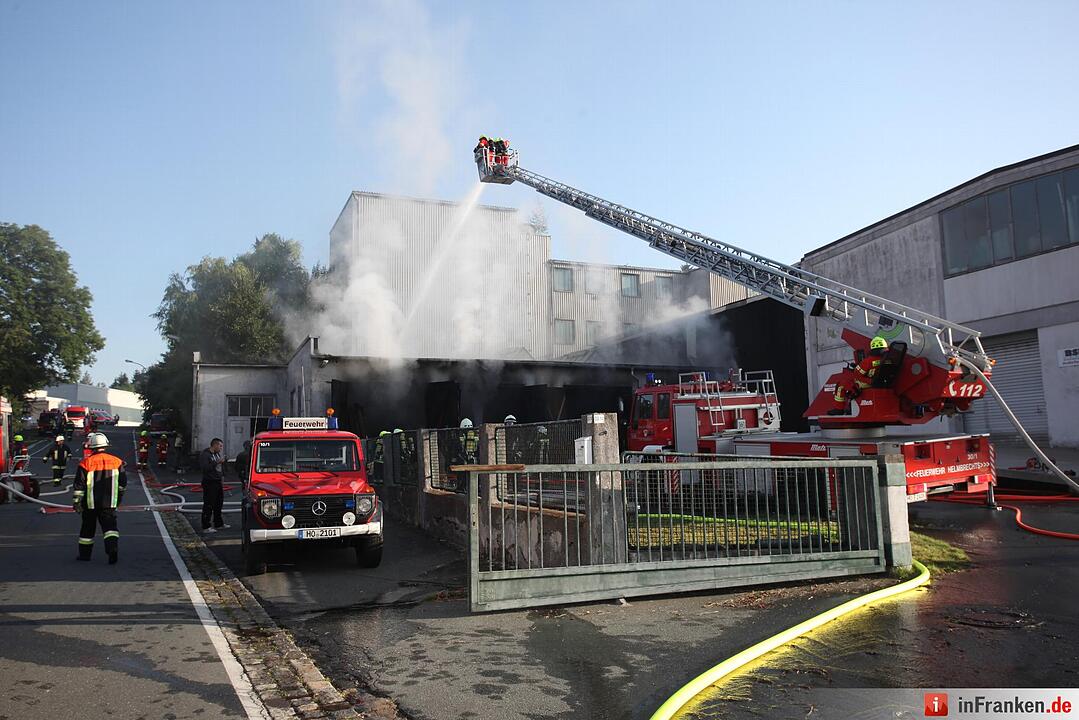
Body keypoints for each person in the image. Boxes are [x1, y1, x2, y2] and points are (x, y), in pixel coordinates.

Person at [73, 432, 126, 564]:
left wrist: (77, 502)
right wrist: (118, 498)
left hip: (89, 503)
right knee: (110, 528)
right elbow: (122, 484)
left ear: (91, 447)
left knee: (87, 529)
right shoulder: (117, 462)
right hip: (109, 503)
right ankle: (112, 548)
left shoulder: (85, 463)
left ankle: (85, 555)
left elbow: (79, 486)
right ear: (105, 445)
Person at [830, 336, 888, 415]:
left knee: (841, 385)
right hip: (883, 382)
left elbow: (857, 375)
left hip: (868, 383)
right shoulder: (888, 359)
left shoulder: (867, 361)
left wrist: (857, 367)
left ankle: (839, 409)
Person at [198, 438, 228, 533]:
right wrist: (217, 462)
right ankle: (206, 526)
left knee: (218, 503)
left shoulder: (216, 454)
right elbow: (205, 468)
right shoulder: (205, 455)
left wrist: (222, 476)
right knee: (209, 504)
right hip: (209, 482)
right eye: (220, 446)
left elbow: (219, 468)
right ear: (214, 445)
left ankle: (218, 523)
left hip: (217, 481)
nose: (221, 448)